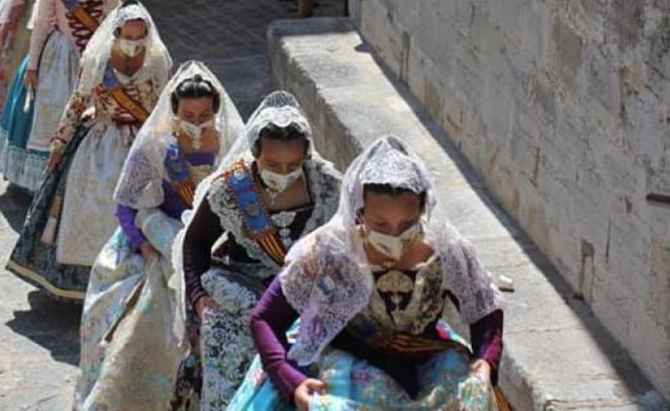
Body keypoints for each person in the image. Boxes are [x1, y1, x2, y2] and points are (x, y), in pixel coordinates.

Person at [226, 135, 508, 411]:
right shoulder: (328, 250)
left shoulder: (445, 248)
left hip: (423, 358)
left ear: (423, 210)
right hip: (346, 356)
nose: (395, 236)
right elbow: (264, 318)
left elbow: (485, 308)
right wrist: (291, 381)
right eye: (381, 225)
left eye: (407, 225)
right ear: (360, 213)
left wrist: (486, 360)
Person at [73, 61, 247, 411]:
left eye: (203, 114)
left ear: (215, 111)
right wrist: (144, 246)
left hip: (210, 241)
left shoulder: (230, 146)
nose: (196, 121)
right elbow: (125, 205)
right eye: (188, 113)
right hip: (156, 237)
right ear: (174, 112)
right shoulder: (155, 145)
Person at [170, 91, 343, 411]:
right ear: (254, 154)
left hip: (305, 298)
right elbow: (195, 244)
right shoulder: (230, 189)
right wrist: (197, 298)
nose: (283, 172)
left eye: (293, 164)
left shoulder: (328, 187)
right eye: (273, 164)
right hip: (239, 301)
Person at [7, 0, 172, 301]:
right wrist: (58, 144)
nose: (133, 43)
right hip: (100, 139)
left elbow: (164, 109)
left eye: (139, 38)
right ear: (117, 33)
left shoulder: (157, 62)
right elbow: (78, 102)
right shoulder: (98, 61)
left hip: (140, 144)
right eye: (128, 36)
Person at [0, 0, 120, 197]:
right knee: (53, 110)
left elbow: (115, 22)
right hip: (60, 57)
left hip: (94, 59)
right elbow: (40, 26)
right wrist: (34, 65)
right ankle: (48, 176)